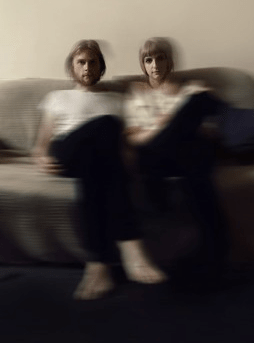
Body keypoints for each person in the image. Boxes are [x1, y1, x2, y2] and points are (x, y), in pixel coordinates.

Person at [124, 37, 254, 272]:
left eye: (160, 58)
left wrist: (179, 120)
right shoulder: (137, 92)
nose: (155, 65)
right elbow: (133, 138)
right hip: (155, 156)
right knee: (198, 108)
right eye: (148, 60)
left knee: (197, 130)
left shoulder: (188, 88)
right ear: (142, 64)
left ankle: (212, 251)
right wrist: (163, 127)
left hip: (187, 154)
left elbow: (209, 125)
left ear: (169, 61)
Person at [33, 39, 167, 300]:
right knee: (106, 124)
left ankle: (98, 265)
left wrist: (132, 165)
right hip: (67, 149)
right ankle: (131, 245)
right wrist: (40, 159)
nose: (87, 67)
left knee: (97, 166)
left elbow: (126, 144)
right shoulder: (57, 97)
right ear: (71, 67)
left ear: (101, 67)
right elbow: (41, 145)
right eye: (81, 62)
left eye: (93, 62)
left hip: (96, 161)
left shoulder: (117, 99)